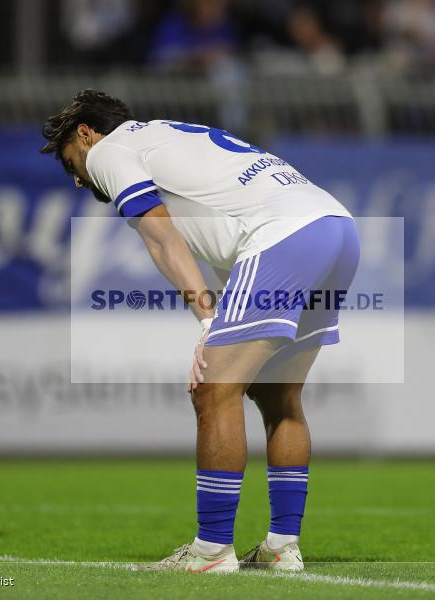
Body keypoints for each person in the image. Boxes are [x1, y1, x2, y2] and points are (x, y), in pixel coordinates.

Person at [40, 90, 358, 573]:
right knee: (279, 399)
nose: (80, 181)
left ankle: (210, 552)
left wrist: (208, 323)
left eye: (71, 165)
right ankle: (280, 547)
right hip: (337, 229)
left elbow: (161, 236)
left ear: (85, 134)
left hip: (283, 235)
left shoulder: (108, 150)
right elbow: (229, 233)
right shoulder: (167, 135)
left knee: (213, 391)